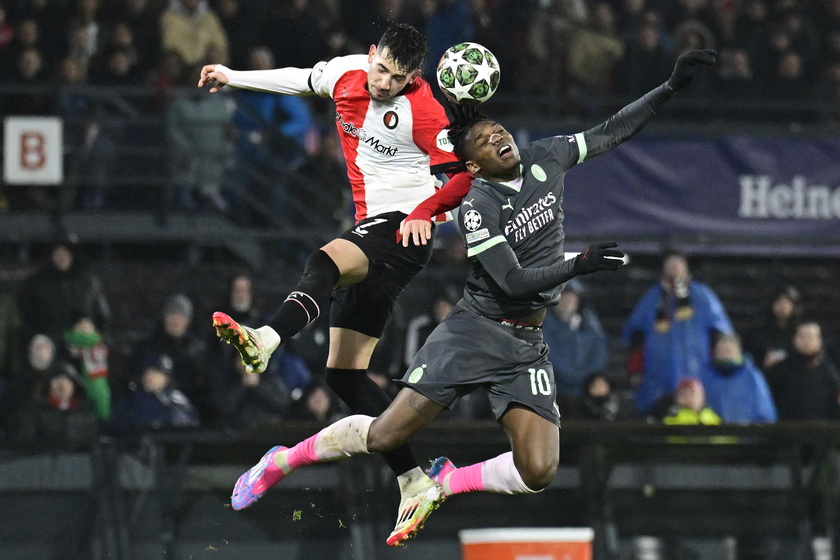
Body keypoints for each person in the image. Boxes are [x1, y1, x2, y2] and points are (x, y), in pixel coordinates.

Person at [223, 47, 716, 546]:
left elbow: (612, 130)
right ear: (472, 167)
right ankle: (285, 459)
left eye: (497, 129)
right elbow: (514, 283)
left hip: (527, 343)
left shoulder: (549, 154)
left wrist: (670, 86)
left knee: (540, 470)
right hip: (473, 333)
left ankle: (444, 482)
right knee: (386, 436)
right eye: (482, 140)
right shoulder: (477, 208)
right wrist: (579, 263)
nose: (497, 136)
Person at [198, 23, 473, 540]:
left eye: (397, 77)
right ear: (372, 55)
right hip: (378, 239)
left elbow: (461, 173)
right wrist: (232, 76)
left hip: (403, 228)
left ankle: (266, 338)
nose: (383, 82)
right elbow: (299, 79)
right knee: (344, 376)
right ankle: (414, 480)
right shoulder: (349, 73)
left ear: (413, 77)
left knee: (322, 261)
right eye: (381, 68)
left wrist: (429, 211)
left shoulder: (425, 110)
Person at [622, 249, 734, 412]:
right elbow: (637, 337)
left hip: (700, 374)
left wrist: (719, 368)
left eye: (678, 263)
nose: (674, 267)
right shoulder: (652, 299)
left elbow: (720, 333)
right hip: (657, 376)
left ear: (686, 267)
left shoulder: (702, 296)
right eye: (670, 264)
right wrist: (635, 369)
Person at [542, 279, 609, 399]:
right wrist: (574, 377)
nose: (567, 301)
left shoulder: (590, 324)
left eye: (572, 296)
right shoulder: (546, 325)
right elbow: (550, 356)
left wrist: (587, 377)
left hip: (587, 390)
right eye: (563, 296)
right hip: (556, 390)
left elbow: (599, 352)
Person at [765, 320, 840, 420]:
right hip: (788, 427)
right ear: (794, 340)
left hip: (821, 429)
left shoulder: (830, 370)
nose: (806, 341)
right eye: (802, 336)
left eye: (810, 337)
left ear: (819, 341)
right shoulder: (781, 369)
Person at [699, 333, 777, 424]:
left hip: (747, 432)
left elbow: (764, 409)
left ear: (738, 351)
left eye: (729, 350)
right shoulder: (705, 375)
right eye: (722, 350)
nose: (725, 354)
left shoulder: (752, 375)